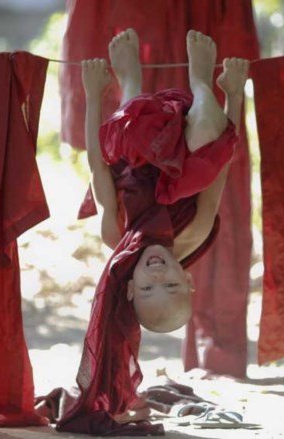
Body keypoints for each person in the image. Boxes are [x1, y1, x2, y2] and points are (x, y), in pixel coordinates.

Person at [81, 28, 249, 333]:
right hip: (189, 139)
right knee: (210, 134)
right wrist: (234, 95)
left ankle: (129, 81)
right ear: (188, 279)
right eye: (171, 285)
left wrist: (93, 96)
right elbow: (220, 165)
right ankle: (200, 80)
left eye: (147, 289)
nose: (158, 276)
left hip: (132, 140)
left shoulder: (115, 234)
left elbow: (98, 167)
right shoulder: (194, 232)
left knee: (132, 143)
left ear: (130, 287)